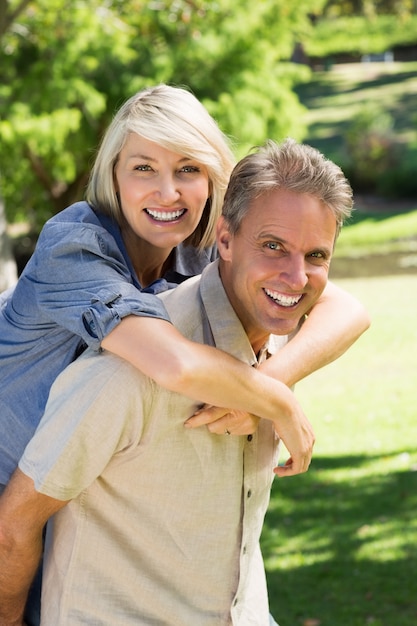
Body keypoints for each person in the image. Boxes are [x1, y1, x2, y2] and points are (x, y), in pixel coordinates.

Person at [0, 139, 362, 625]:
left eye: (316, 254)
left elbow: (350, 310)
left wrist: (269, 386)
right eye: (272, 246)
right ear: (225, 240)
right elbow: (14, 525)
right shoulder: (131, 368)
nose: (295, 277)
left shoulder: (276, 336)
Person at [0, 83, 369, 496]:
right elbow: (173, 362)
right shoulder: (73, 249)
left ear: (212, 178)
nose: (168, 192)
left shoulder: (201, 247)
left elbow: (347, 310)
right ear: (114, 175)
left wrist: (270, 380)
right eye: (144, 168)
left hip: (64, 495)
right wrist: (277, 403)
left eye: (188, 169)